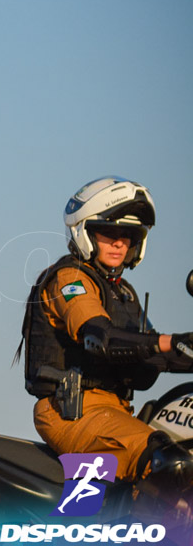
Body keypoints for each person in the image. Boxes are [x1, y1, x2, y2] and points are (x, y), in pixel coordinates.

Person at [17, 176, 193, 514]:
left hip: (115, 412)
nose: (119, 243)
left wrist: (184, 348)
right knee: (168, 462)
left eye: (128, 236)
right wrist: (173, 341)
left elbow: (156, 353)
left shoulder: (123, 293)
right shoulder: (69, 279)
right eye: (108, 233)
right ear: (86, 233)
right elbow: (101, 337)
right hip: (74, 413)